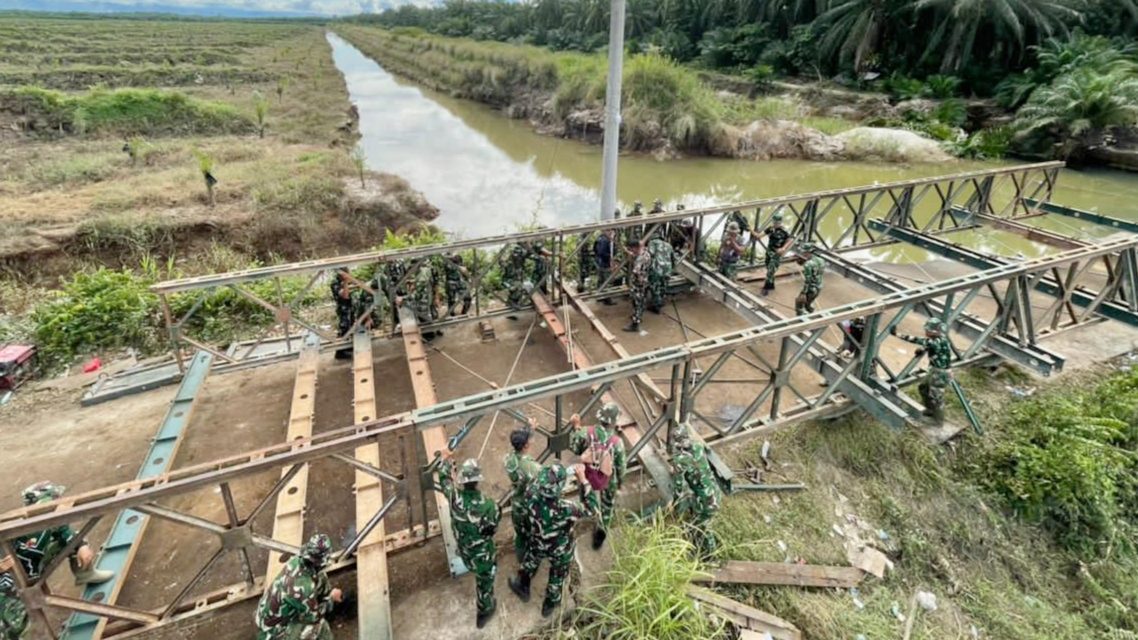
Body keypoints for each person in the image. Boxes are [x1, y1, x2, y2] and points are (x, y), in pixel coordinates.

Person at [0, 482, 115, 640]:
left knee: (75, 539)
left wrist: (81, 545)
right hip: (9, 580)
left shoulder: (51, 520)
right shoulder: (15, 529)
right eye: (55, 499)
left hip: (33, 569)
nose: (60, 501)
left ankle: (85, 574)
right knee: (14, 621)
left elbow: (64, 531)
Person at [508, 464, 590, 618]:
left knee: (531, 560)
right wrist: (583, 480)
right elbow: (590, 508)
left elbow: (536, 482)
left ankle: (522, 585)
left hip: (537, 540)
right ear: (559, 488)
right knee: (558, 575)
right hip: (559, 548)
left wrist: (556, 475)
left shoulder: (530, 494)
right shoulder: (568, 508)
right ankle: (549, 605)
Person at [437, 452, 501, 629]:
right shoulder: (490, 506)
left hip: (465, 551)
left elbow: (444, 480)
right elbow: (493, 530)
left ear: (462, 481)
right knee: (484, 582)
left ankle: (484, 610)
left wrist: (446, 461)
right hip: (483, 556)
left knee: (478, 570)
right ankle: (484, 610)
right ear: (478, 480)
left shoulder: (454, 498)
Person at [255, 533, 342, 640]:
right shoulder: (304, 589)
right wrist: (331, 599)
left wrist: (326, 595)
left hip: (269, 616)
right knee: (319, 626)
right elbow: (313, 618)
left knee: (320, 577)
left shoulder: (296, 561)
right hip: (273, 632)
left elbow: (318, 578)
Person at [568, 403, 626, 550]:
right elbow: (621, 467)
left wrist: (576, 427)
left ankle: (585, 511)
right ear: (614, 422)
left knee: (585, 494)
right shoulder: (617, 443)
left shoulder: (586, 432)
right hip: (607, 479)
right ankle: (601, 530)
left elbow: (574, 448)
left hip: (586, 474)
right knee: (607, 505)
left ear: (600, 417)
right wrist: (620, 482)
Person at [670, 424, 722, 559]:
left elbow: (678, 485)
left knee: (698, 526)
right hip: (715, 491)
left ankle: (710, 555)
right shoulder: (698, 446)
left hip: (706, 501)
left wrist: (675, 503)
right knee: (702, 520)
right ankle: (708, 545)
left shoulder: (680, 460)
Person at [892, 318, 953, 423]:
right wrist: (923, 349)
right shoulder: (942, 339)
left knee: (937, 398)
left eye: (927, 330)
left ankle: (938, 421)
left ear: (933, 332)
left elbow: (915, 339)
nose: (925, 332)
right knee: (923, 388)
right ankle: (929, 410)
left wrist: (896, 334)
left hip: (940, 373)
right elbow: (930, 346)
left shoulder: (932, 341)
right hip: (935, 370)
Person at [504, 421, 542, 562]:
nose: (532, 440)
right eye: (530, 439)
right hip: (529, 507)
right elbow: (544, 479)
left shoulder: (509, 459)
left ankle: (521, 560)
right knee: (534, 533)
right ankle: (533, 560)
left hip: (517, 504)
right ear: (526, 445)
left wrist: (530, 428)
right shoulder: (532, 467)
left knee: (520, 535)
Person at [760, 211, 793, 296]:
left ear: (780, 222)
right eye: (774, 222)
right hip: (769, 252)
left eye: (777, 222)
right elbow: (760, 235)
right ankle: (771, 285)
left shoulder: (784, 231)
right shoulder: (770, 228)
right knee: (768, 268)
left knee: (770, 271)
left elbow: (790, 240)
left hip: (776, 254)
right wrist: (751, 230)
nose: (775, 224)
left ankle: (766, 288)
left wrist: (783, 248)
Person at [624, 239, 650, 333]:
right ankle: (638, 317)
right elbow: (637, 255)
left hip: (638, 284)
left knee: (636, 302)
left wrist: (638, 278)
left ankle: (635, 323)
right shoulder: (646, 254)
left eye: (631, 249)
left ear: (635, 247)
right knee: (641, 301)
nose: (631, 251)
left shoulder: (640, 259)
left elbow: (636, 271)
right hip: (645, 282)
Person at [331, 267, 355, 360]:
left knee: (350, 327)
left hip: (349, 307)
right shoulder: (335, 283)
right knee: (343, 329)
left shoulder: (341, 281)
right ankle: (339, 352)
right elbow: (345, 295)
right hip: (343, 308)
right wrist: (346, 282)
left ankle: (347, 346)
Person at [795, 242, 825, 316]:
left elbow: (807, 280)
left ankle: (802, 320)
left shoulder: (808, 265)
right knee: (808, 304)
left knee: (799, 304)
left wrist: (803, 293)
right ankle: (810, 313)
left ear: (807, 252)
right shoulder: (821, 260)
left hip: (811, 289)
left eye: (803, 252)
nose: (802, 253)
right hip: (819, 286)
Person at [646, 234, 674, 314]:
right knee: (663, 286)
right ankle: (661, 301)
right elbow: (673, 258)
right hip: (667, 269)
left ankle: (656, 306)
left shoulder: (652, 242)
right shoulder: (669, 245)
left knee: (655, 287)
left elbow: (650, 254)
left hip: (657, 269)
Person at [593, 229, 617, 305]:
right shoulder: (606, 240)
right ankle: (608, 299)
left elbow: (595, 250)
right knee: (607, 281)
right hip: (605, 263)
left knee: (601, 280)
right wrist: (610, 259)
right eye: (610, 231)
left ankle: (599, 296)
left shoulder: (599, 238)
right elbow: (602, 252)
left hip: (600, 262)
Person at [504, 243, 530, 310]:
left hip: (518, 271)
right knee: (517, 286)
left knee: (518, 286)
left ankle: (513, 302)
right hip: (513, 272)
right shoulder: (518, 249)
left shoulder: (521, 249)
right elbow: (516, 256)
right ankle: (511, 302)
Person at [411, 261, 437, 327]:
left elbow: (418, 293)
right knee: (433, 312)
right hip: (429, 294)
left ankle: (429, 333)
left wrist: (405, 298)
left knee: (423, 315)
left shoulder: (421, 278)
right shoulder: (425, 270)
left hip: (424, 299)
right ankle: (437, 328)